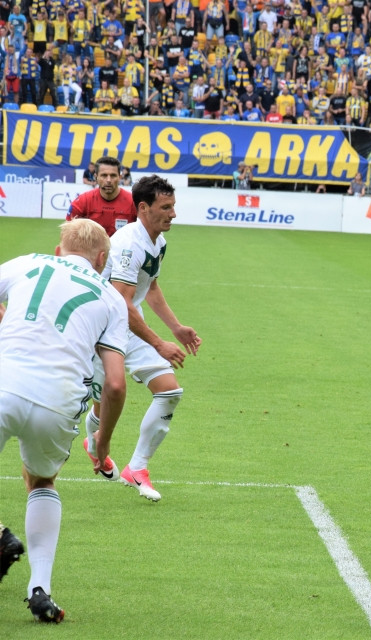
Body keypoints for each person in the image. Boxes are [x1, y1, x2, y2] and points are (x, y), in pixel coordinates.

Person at [0, 219, 128, 623]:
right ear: (102, 259)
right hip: (58, 400)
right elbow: (115, 384)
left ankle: (1, 537)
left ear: (59, 249)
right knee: (41, 481)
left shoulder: (26, 263)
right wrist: (103, 442)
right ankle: (41, 589)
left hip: (5, 381)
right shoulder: (111, 298)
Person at [83, 175, 202, 502]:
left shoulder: (158, 242)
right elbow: (121, 300)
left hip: (128, 327)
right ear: (144, 208)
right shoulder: (127, 242)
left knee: (169, 391)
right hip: (103, 327)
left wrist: (175, 328)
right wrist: (158, 342)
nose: (173, 214)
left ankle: (136, 467)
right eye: (166, 207)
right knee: (100, 401)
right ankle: (93, 441)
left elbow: (149, 288)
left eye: (174, 206)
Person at [66, 156, 137, 237]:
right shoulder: (82, 201)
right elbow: (68, 234)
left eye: (113, 176)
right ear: (96, 177)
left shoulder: (134, 202)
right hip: (91, 249)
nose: (108, 180)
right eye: (104, 175)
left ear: (119, 177)